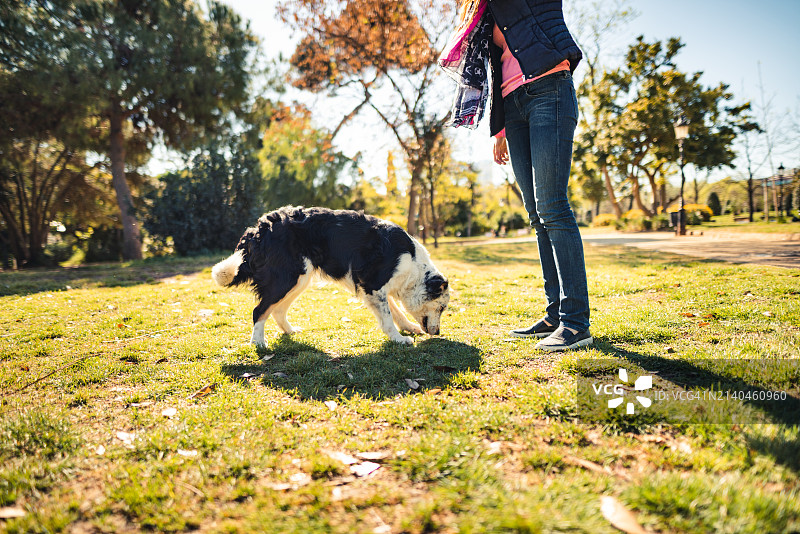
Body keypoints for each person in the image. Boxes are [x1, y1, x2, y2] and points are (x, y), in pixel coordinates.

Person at [439, 0, 592, 351]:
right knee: (537, 216)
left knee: (552, 205)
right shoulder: (486, 12)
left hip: (549, 91)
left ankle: (576, 322)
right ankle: (555, 314)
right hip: (514, 105)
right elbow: (495, 69)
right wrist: (499, 129)